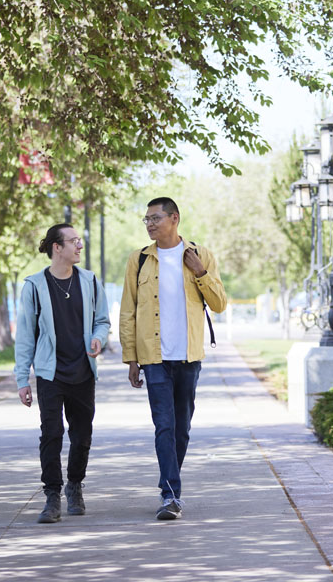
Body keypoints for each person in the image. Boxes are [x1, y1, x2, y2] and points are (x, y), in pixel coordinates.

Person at [119, 197, 227, 520]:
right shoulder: (138, 260)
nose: (150, 224)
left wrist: (201, 272)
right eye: (147, 219)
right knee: (163, 426)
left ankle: (170, 482)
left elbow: (220, 303)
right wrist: (131, 359)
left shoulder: (199, 255)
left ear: (174, 218)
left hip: (189, 356)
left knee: (182, 430)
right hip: (154, 358)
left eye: (155, 218)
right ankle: (170, 494)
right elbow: (128, 311)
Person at [14, 223, 110, 524]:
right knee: (51, 434)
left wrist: (99, 338)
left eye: (80, 241)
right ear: (58, 247)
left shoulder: (90, 281)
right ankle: (52, 495)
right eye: (74, 241)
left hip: (83, 371)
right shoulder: (34, 286)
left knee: (82, 436)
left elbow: (103, 321)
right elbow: (25, 336)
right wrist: (22, 379)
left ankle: (75, 485)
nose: (80, 246)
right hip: (50, 374)